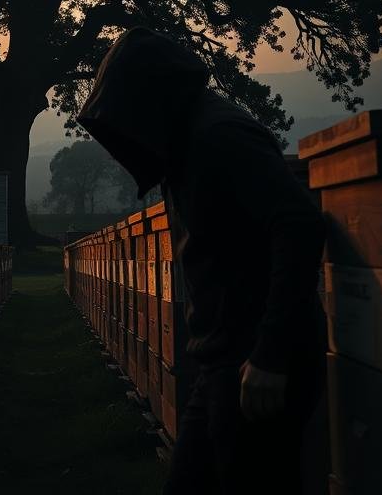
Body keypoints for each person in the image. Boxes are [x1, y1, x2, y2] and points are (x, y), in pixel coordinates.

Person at [76, 27, 327, 494]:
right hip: (222, 362)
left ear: (151, 97)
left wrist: (270, 356)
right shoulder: (188, 137)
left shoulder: (220, 134)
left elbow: (300, 225)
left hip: (259, 364)